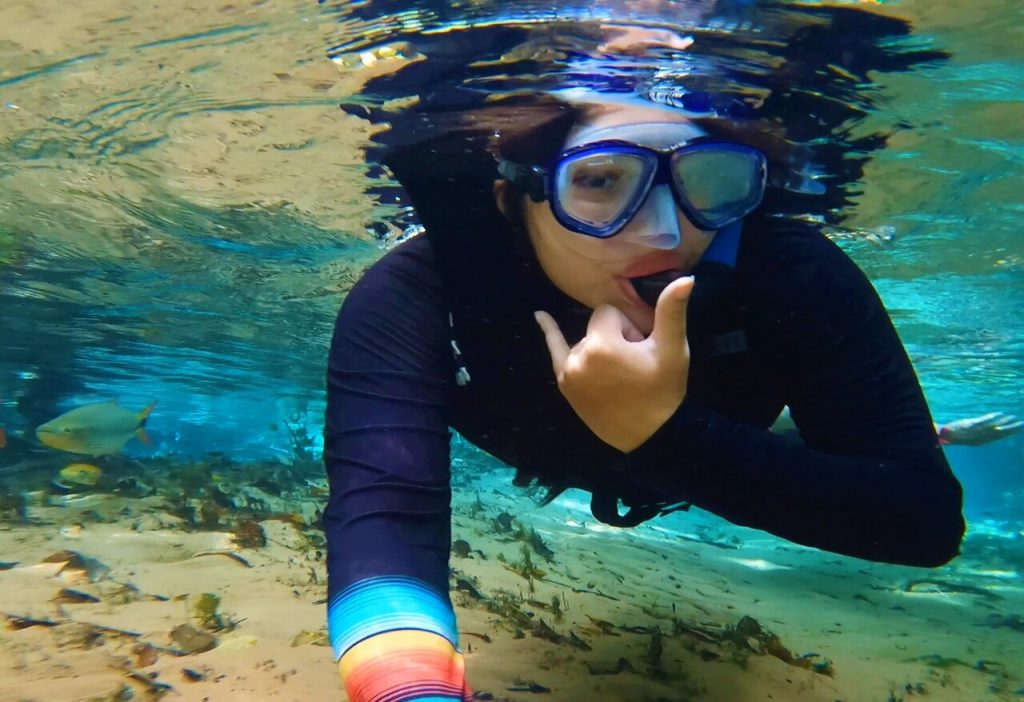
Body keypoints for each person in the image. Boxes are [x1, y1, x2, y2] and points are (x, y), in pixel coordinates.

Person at [322, 88, 975, 700]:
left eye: (707, 179)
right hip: (572, 452)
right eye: (601, 181)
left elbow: (924, 522)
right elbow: (388, 513)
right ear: (511, 199)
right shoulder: (416, 294)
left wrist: (661, 430)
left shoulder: (792, 272)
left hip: (704, 452)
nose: (666, 234)